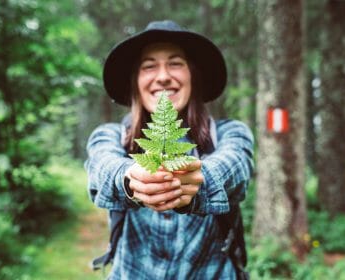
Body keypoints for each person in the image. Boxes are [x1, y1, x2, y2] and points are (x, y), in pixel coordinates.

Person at [85, 20, 254, 279]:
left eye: (175, 63)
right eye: (149, 66)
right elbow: (102, 164)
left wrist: (199, 180)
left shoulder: (230, 134)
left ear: (193, 76)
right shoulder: (111, 136)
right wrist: (130, 177)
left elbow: (234, 165)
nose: (163, 76)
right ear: (135, 82)